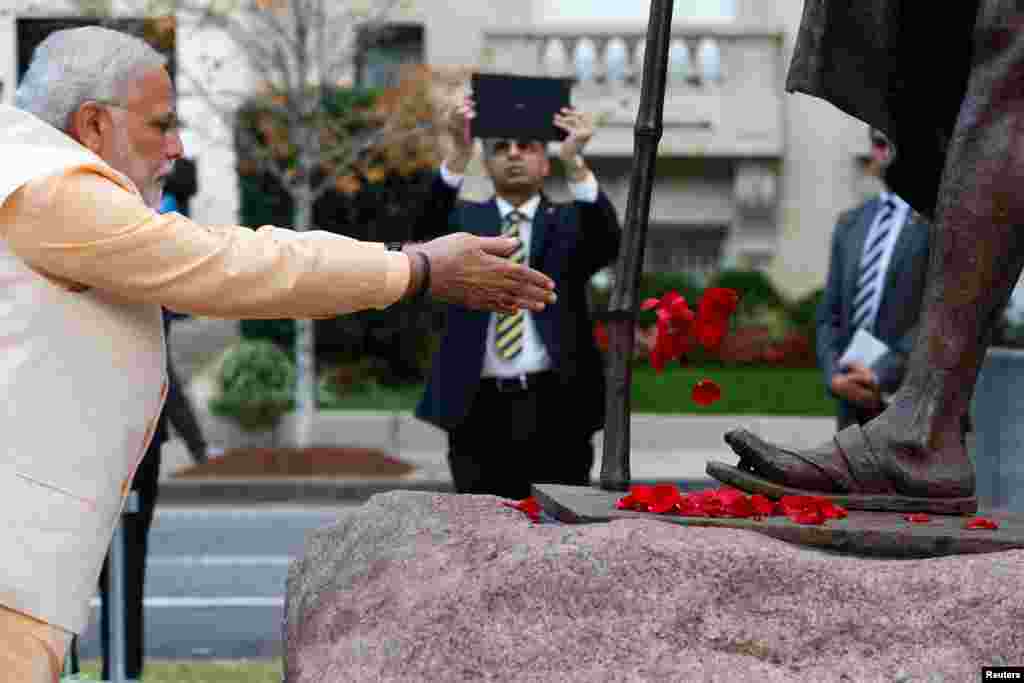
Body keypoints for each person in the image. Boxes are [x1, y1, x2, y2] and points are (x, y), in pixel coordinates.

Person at [0, 26, 556, 681]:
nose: (178, 146)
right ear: (93, 124)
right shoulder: (47, 186)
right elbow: (231, 264)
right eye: (161, 124)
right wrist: (414, 269)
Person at [710, 0, 1016, 516]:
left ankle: (921, 429)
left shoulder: (920, 229)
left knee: (1009, 38)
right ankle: (920, 431)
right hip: (857, 391)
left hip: (892, 381)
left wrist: (894, 371)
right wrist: (837, 369)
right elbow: (833, 308)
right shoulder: (852, 225)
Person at [413, 97, 621, 500]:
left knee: (560, 528)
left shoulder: (570, 220)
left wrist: (575, 160)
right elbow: (421, 234)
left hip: (558, 405)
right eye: (500, 148)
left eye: (526, 146)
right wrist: (458, 153)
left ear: (545, 161)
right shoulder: (464, 222)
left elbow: (609, 241)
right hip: (476, 409)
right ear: (486, 163)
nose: (512, 154)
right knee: (481, 533)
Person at [816, 128, 931, 430]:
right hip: (850, 403)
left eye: (894, 143)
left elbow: (941, 314)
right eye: (879, 143)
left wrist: (880, 374)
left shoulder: (937, 222)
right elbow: (829, 315)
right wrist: (834, 377)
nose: (886, 152)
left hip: (909, 406)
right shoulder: (850, 223)